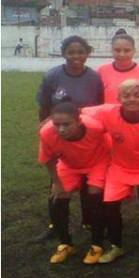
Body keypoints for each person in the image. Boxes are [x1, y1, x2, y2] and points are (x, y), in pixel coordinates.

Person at [82, 79, 139, 263]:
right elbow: (80, 113)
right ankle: (116, 245)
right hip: (121, 167)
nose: (132, 99)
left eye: (137, 95)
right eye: (126, 95)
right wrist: (51, 119)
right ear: (118, 98)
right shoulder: (107, 112)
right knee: (109, 205)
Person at [35, 35, 104, 241]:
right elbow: (44, 105)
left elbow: (99, 106)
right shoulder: (53, 75)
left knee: (86, 179)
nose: (76, 56)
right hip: (59, 132)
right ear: (64, 53)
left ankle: (89, 220)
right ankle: (55, 225)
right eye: (71, 52)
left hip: (84, 134)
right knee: (57, 180)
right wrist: (47, 129)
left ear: (87, 53)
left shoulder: (94, 77)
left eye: (80, 52)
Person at [97, 29, 139, 240]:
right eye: (117, 50)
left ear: (134, 50)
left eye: (126, 50)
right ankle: (107, 221)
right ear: (111, 50)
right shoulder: (102, 71)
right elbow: (98, 102)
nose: (122, 54)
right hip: (112, 131)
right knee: (109, 178)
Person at [38, 102, 109, 264]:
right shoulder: (47, 133)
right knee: (57, 198)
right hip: (69, 165)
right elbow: (47, 159)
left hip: (97, 163)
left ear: (79, 121)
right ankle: (66, 244)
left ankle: (97, 244)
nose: (61, 129)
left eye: (66, 124)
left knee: (95, 196)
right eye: (57, 124)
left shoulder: (96, 127)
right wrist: (56, 183)